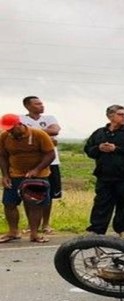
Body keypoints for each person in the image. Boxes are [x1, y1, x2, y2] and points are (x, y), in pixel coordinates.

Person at [83, 105, 124, 238]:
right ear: (110, 116)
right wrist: (99, 148)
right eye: (121, 114)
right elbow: (88, 150)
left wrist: (117, 149)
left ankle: (123, 229)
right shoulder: (99, 133)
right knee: (101, 202)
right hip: (104, 174)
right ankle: (96, 229)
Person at [0, 113, 56, 244]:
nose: (9, 131)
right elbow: (2, 156)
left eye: (11, 128)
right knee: (9, 203)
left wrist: (36, 169)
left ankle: (34, 234)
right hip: (15, 175)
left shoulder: (38, 134)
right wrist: (5, 175)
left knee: (35, 204)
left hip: (37, 176)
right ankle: (13, 232)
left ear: (20, 124)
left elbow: (50, 154)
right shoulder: (4, 137)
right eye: (7, 129)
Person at [20, 96, 61, 235]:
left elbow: (55, 130)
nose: (41, 106)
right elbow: (19, 134)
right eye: (37, 104)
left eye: (41, 103)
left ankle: (46, 224)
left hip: (51, 161)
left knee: (48, 194)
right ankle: (31, 225)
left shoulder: (50, 118)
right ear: (27, 106)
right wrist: (45, 136)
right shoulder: (21, 119)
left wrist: (31, 132)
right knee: (29, 193)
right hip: (30, 162)